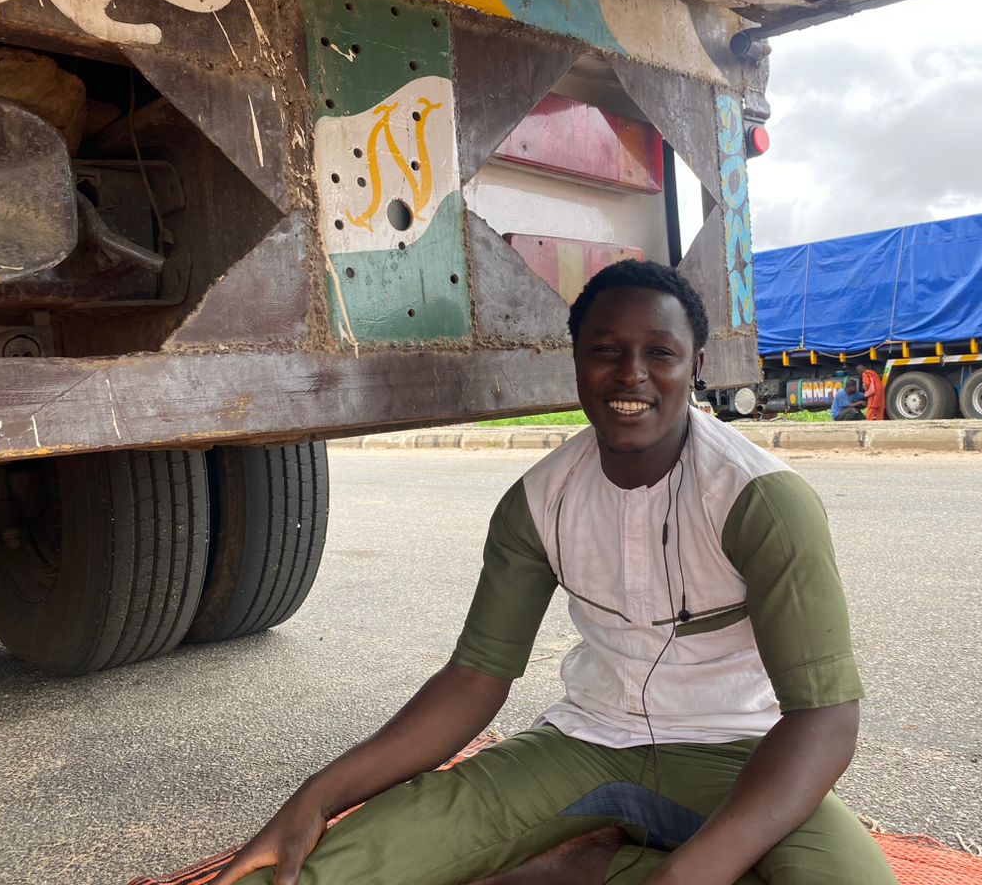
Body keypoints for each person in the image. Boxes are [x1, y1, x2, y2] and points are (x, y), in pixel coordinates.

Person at [212, 260, 896, 885]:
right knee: (305, 873)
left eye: (660, 353)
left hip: (740, 756)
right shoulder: (540, 502)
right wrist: (317, 797)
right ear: (576, 363)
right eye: (606, 351)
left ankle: (587, 866)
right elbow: (474, 679)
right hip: (583, 744)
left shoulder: (761, 500)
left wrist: (687, 875)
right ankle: (583, 860)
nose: (631, 374)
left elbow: (825, 718)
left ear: (697, 366)